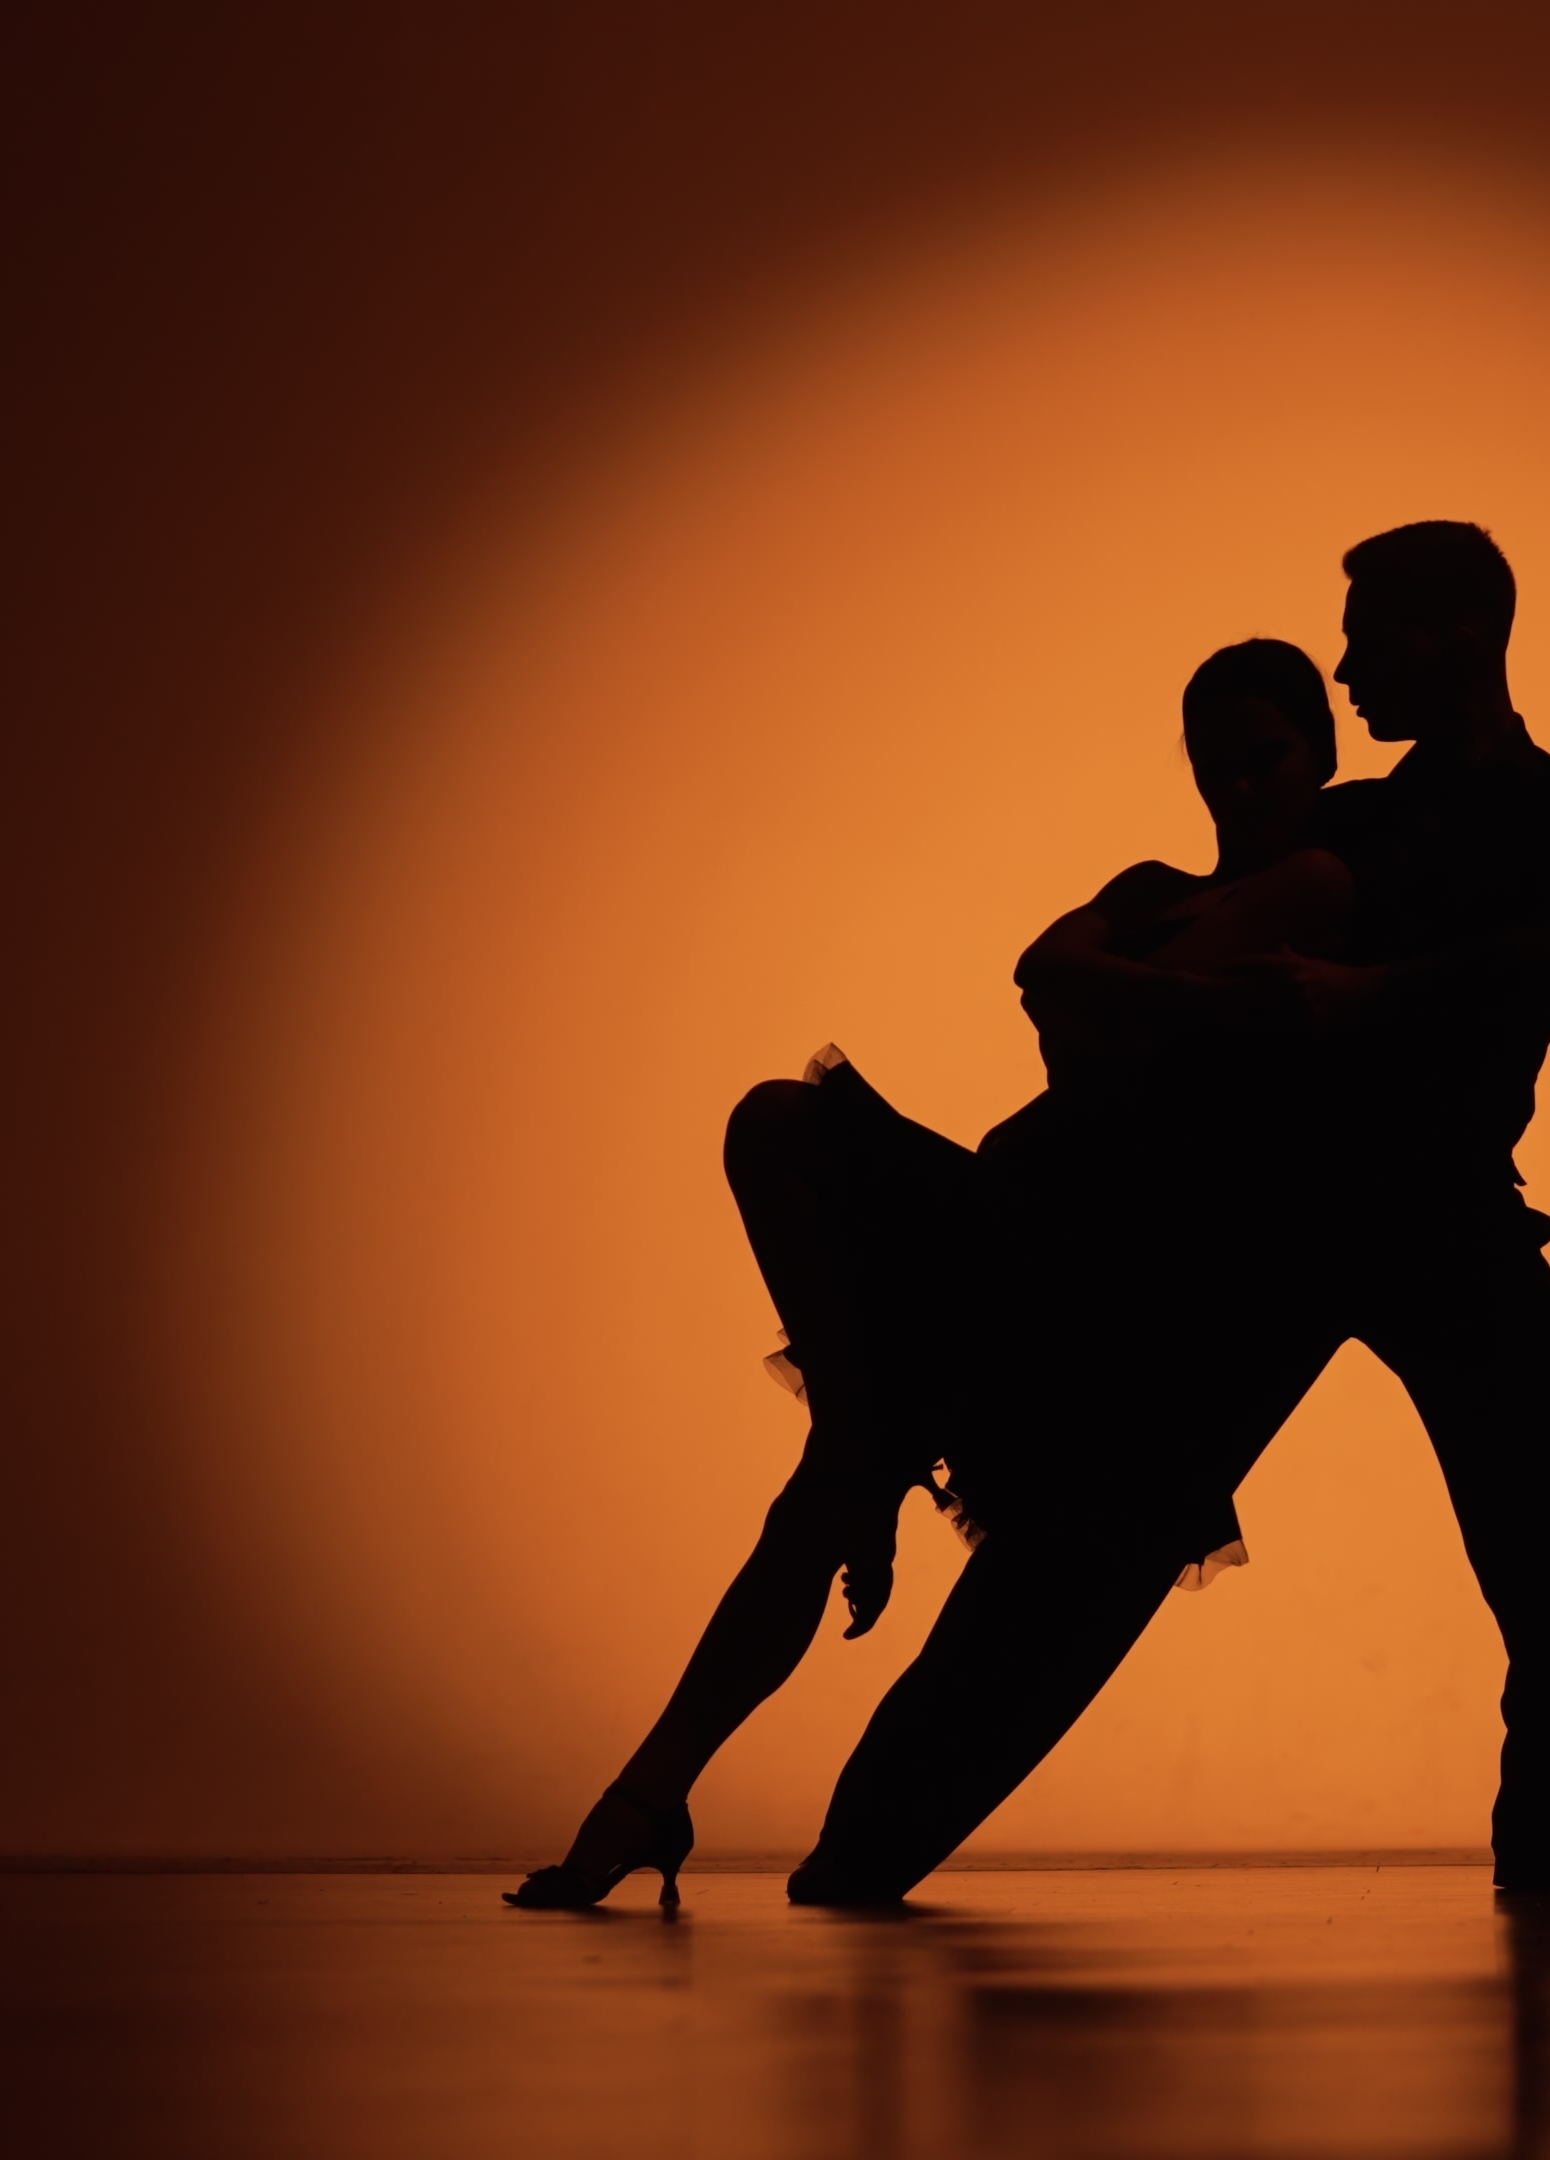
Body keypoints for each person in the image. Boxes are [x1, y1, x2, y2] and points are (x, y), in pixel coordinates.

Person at [788, 521, 1550, 1903]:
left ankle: (1547, 1842)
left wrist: (1371, 995)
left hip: (1438, 1213)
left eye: (1370, 635)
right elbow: (1152, 927)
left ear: (1452, 639)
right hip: (1281, 1213)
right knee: (1103, 1530)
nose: (1352, 665)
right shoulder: (1349, 821)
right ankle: (867, 1843)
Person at [502, 638, 1353, 1910]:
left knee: (839, 1501)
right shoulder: (1154, 881)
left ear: (1319, 751)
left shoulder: (1328, 885)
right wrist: (1146, 996)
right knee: (781, 1134)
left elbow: (1090, 985)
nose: (1235, 787)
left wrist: (1117, 995)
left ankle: (650, 1791)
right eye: (1212, 763)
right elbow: (1043, 969)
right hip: (1011, 1217)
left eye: (1262, 758)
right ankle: (652, 1784)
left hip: (1104, 1296)